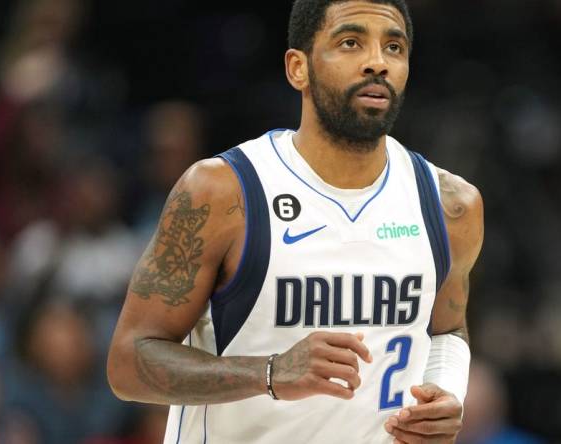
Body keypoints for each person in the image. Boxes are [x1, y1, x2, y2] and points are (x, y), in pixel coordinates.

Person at [107, 1, 483, 443]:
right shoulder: (224, 192)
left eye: (394, 47)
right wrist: (269, 373)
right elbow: (128, 365)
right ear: (297, 68)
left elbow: (447, 329)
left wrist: (446, 392)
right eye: (350, 43)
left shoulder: (448, 204)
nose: (377, 62)